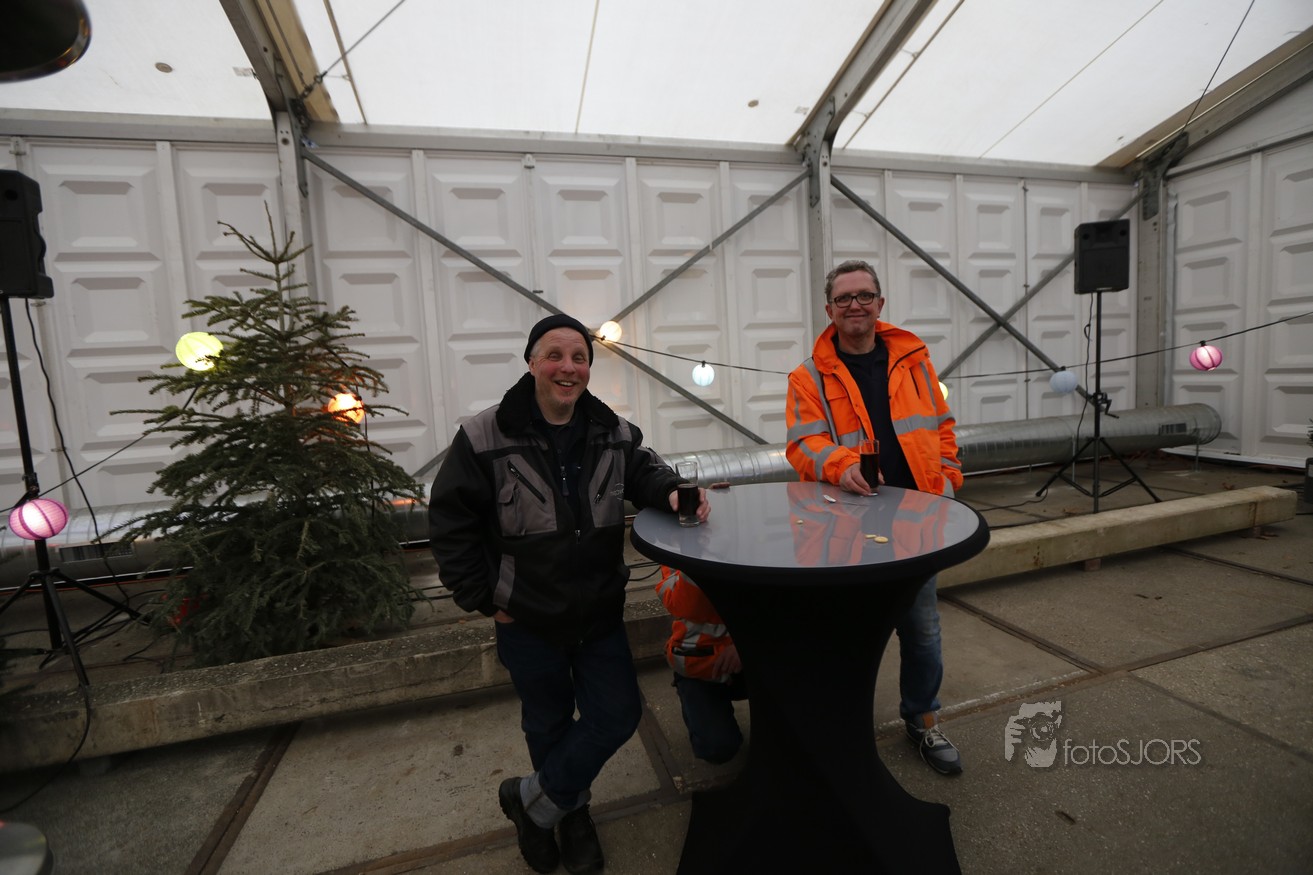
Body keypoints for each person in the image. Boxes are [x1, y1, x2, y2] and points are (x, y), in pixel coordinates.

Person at [428, 313, 710, 874]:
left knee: (618, 715)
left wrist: (676, 492)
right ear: (532, 362)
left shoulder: (613, 431)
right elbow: (450, 522)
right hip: (527, 618)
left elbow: (646, 473)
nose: (568, 367)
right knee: (547, 723)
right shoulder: (483, 436)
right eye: (555, 355)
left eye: (579, 357)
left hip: (598, 611)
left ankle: (533, 803)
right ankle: (571, 814)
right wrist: (487, 599)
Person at [784, 259, 965, 776]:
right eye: (844, 298)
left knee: (923, 634)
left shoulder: (913, 359)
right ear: (829, 310)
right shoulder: (808, 377)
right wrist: (841, 465)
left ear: (880, 304)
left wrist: (949, 476)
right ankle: (841, 732)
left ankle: (923, 721)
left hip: (918, 524)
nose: (855, 305)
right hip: (849, 531)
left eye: (864, 296)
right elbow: (803, 445)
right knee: (847, 638)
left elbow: (942, 425)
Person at [655, 565, 746, 764]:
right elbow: (685, 604)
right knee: (717, 748)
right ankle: (692, 695)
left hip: (753, 654)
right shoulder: (681, 550)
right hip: (701, 662)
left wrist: (744, 643)